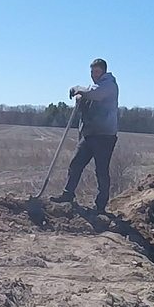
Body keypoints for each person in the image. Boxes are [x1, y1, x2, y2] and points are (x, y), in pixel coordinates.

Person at [50, 58, 120, 213]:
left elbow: (95, 94)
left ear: (103, 71)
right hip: (90, 134)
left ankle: (100, 206)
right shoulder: (92, 87)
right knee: (76, 164)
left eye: (97, 72)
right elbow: (89, 98)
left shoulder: (109, 85)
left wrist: (78, 89)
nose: (94, 75)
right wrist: (81, 99)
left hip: (105, 136)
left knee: (101, 170)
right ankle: (68, 195)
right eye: (92, 72)